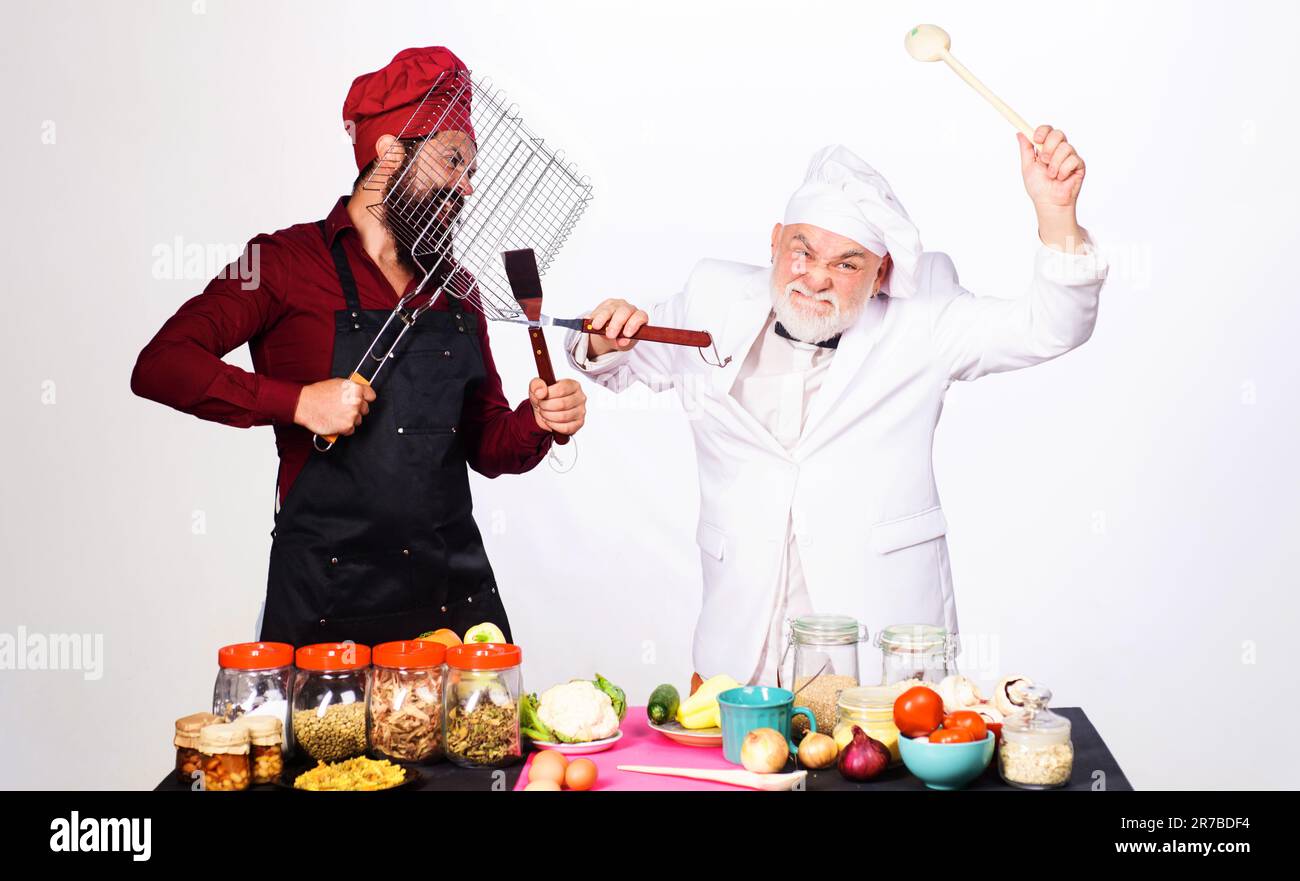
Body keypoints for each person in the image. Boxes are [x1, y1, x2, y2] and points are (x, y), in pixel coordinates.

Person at [567, 128, 1104, 686]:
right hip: (737, 653)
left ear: (882, 276)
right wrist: (606, 337)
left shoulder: (924, 318)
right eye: (802, 251)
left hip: (881, 657)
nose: (817, 276)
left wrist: (1058, 217)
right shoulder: (712, 296)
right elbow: (610, 356)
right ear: (774, 243)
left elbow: (1052, 328)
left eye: (848, 265)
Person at [132, 47, 586, 646]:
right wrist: (297, 404)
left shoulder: (458, 287)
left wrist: (540, 421)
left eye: (471, 168)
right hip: (327, 611)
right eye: (454, 161)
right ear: (390, 151)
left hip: (455, 612)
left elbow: (485, 442)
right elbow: (161, 364)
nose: (468, 186)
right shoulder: (279, 262)